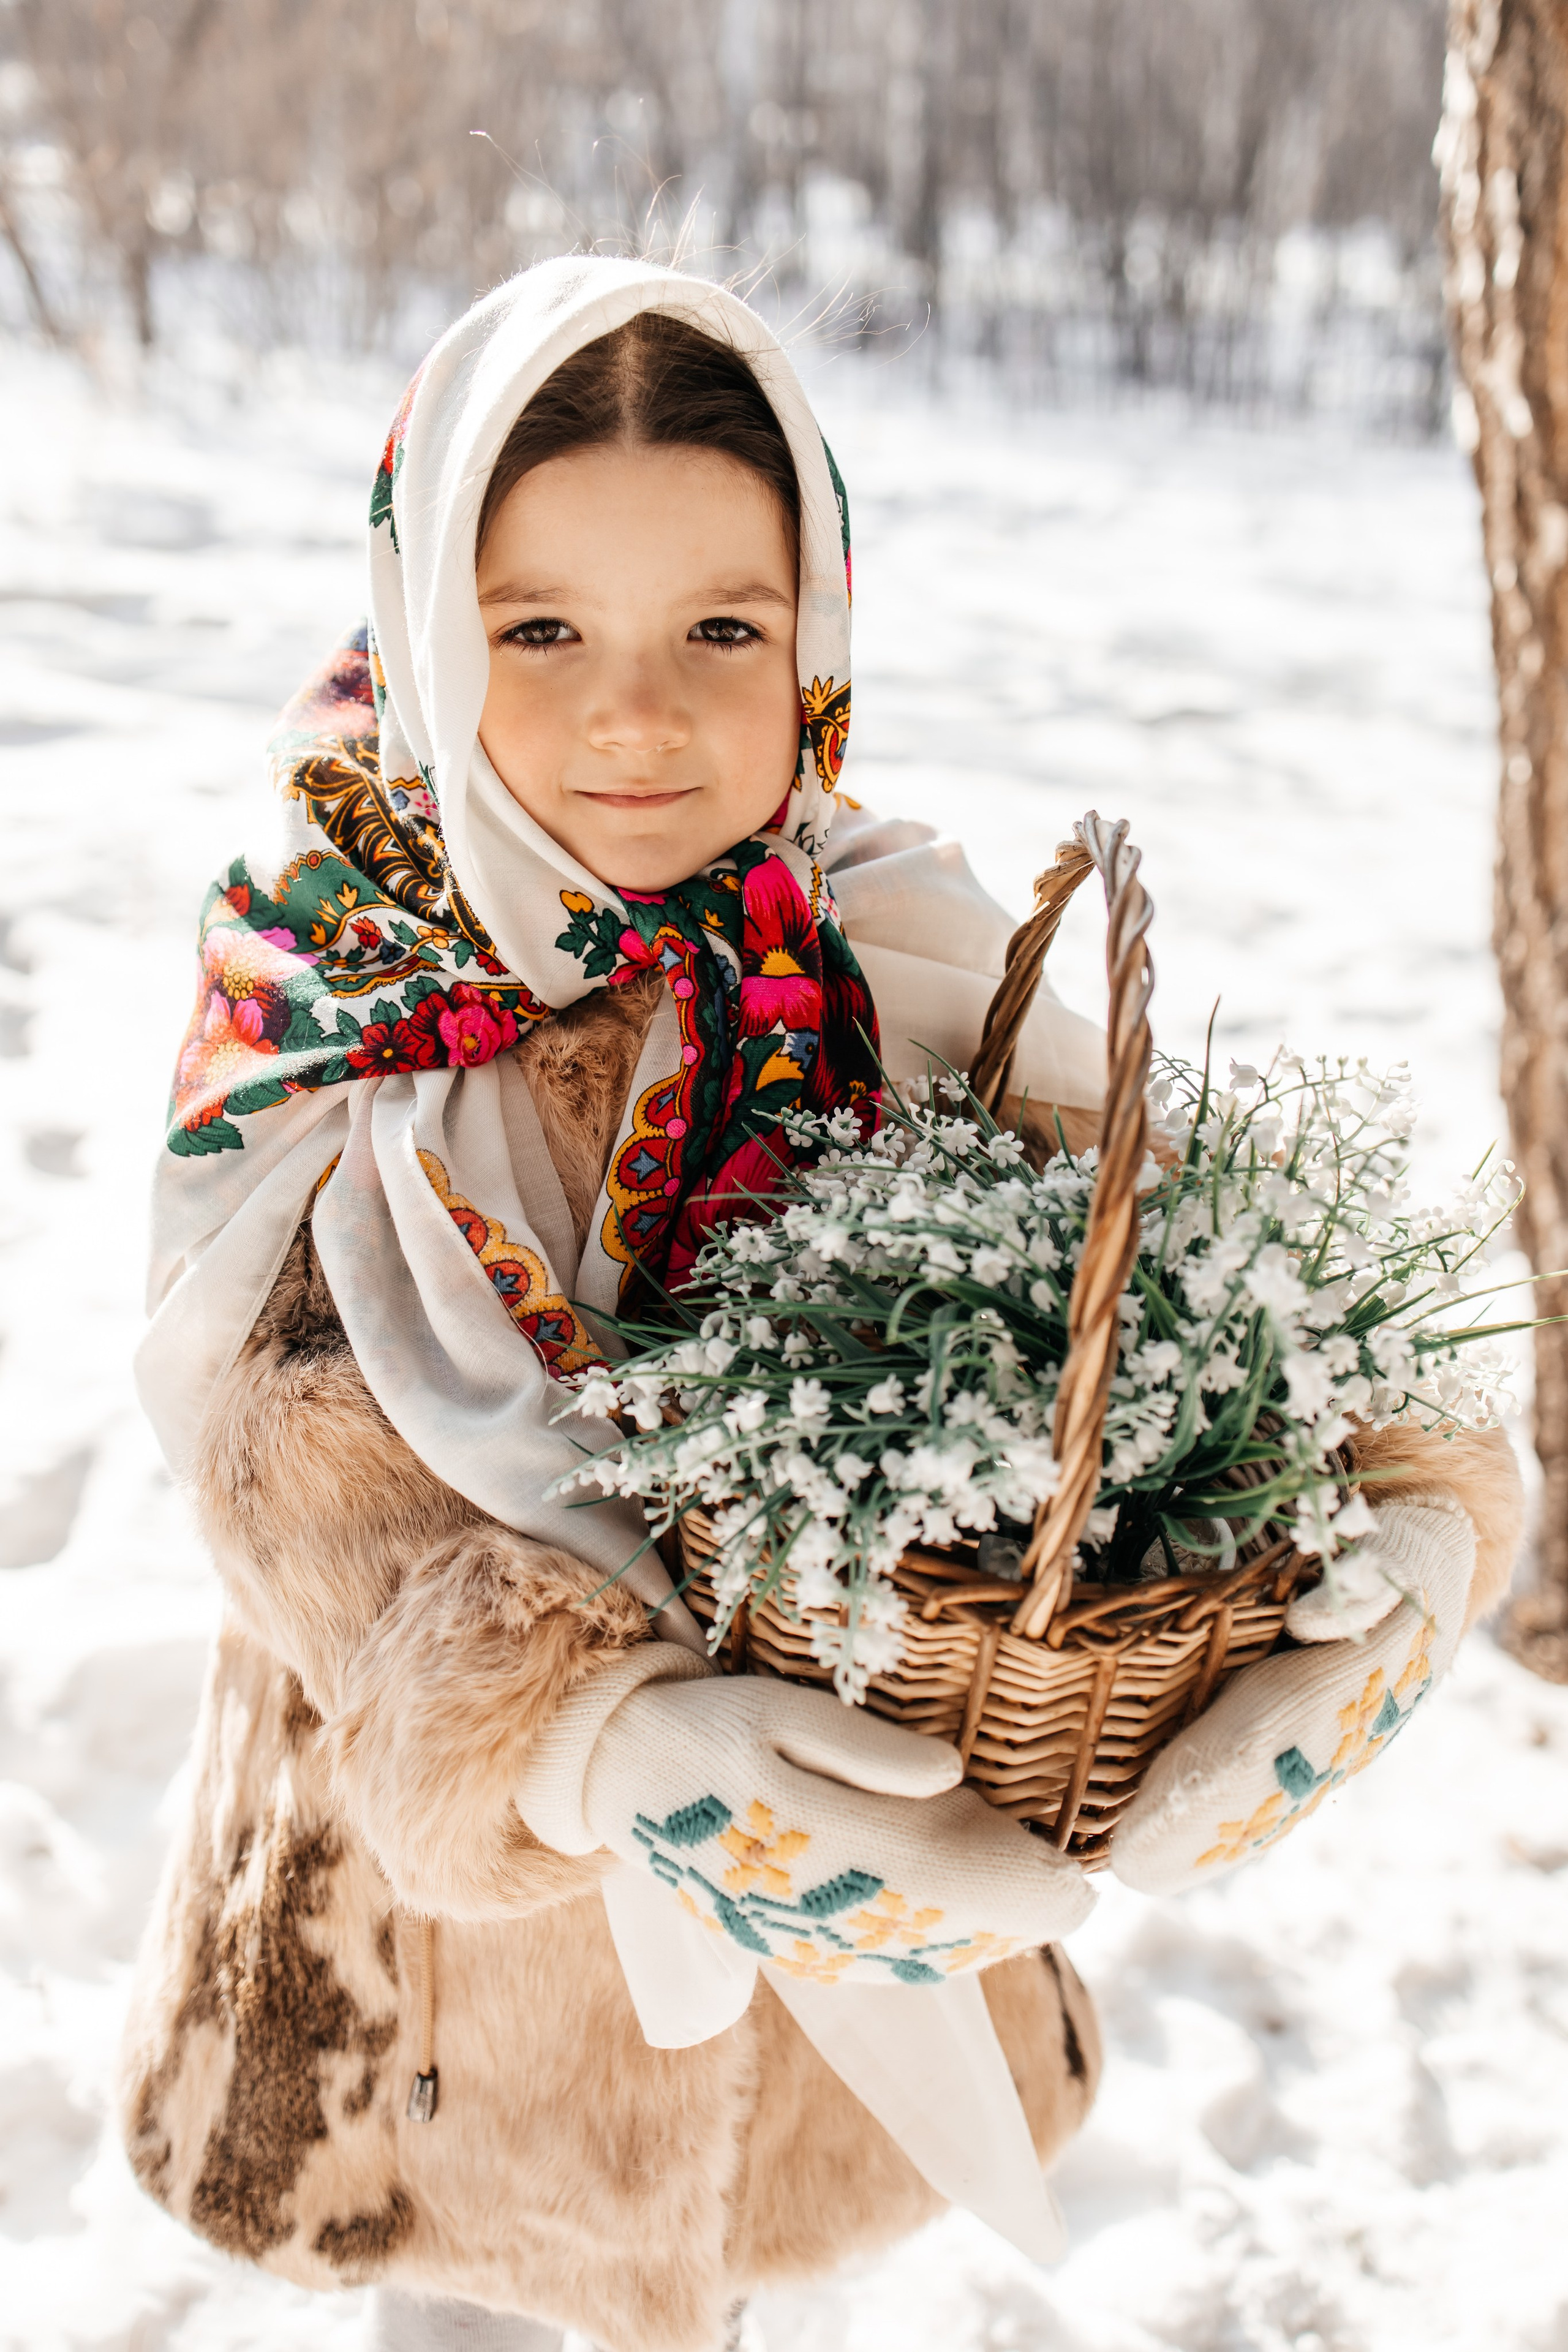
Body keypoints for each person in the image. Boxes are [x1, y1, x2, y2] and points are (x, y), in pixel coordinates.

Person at [117, 256, 1523, 2352]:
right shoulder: (342, 991)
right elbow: (281, 1459)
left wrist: (1398, 1513)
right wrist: (585, 1746)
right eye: (539, 631)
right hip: (427, 2015)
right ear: (426, 629)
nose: (638, 714)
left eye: (721, 628)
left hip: (861, 1909)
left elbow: (1194, 1264)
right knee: (473, 2315)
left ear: (818, 633)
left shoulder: (899, 946)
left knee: (751, 2301)